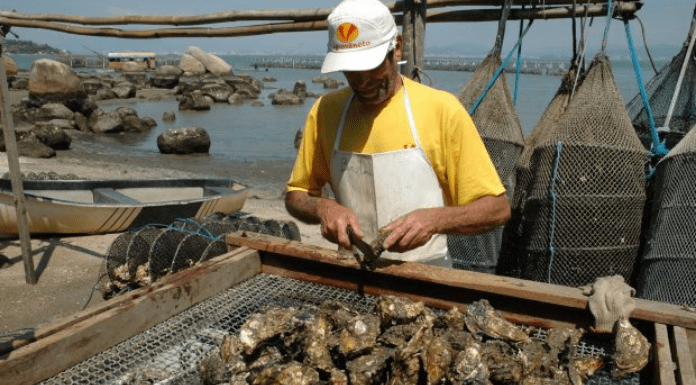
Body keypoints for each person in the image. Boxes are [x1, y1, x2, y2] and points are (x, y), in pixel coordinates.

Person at [285, 0, 510, 266]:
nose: (361, 80)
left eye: (371, 65)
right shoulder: (326, 111)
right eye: (350, 69)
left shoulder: (441, 109)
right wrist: (322, 207)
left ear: (397, 48)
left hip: (426, 271)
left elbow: (497, 208)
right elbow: (296, 195)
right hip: (352, 270)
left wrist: (434, 219)